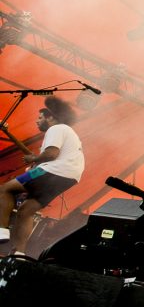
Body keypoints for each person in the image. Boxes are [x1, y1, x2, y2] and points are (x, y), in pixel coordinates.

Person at [0, 97, 84, 255]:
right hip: (69, 177)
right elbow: (43, 157)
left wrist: (34, 160)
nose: (36, 121)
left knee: (4, 189)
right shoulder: (68, 132)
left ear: (51, 117)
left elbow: (51, 154)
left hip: (53, 170)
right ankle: (19, 253)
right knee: (26, 211)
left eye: (40, 118)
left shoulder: (57, 129)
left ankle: (1, 232)